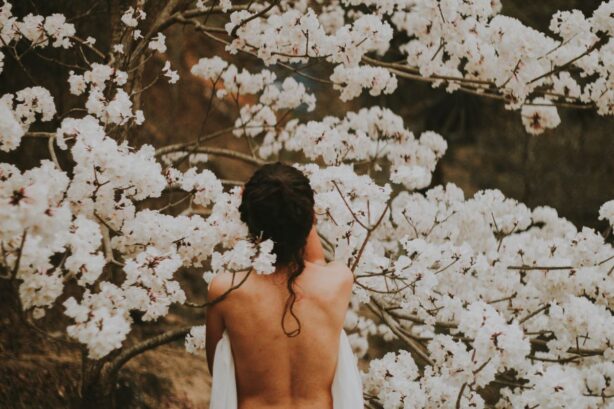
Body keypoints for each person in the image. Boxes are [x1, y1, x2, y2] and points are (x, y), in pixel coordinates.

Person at [205, 162, 363, 409]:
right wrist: (301, 211)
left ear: (248, 218)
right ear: (311, 218)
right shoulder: (338, 281)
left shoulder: (226, 291)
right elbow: (316, 261)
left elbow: (219, 367)